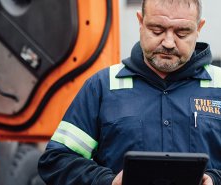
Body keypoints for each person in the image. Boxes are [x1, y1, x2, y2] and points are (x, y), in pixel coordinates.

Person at [38, 0, 221, 184]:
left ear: (199, 28)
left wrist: (215, 180)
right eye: (157, 30)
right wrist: (107, 181)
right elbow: (56, 161)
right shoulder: (102, 86)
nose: (168, 42)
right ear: (140, 22)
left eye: (182, 32)